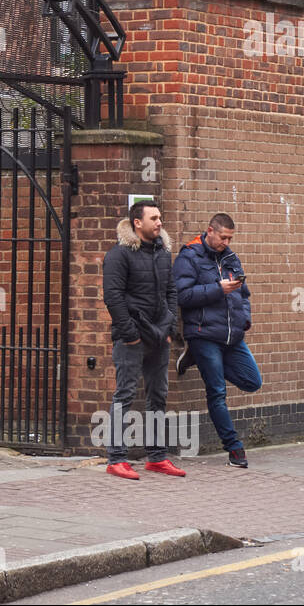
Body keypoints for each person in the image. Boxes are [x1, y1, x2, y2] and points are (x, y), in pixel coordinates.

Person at [101, 200, 184, 479]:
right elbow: (113, 298)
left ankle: (157, 457)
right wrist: (131, 335)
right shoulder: (119, 255)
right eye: (154, 218)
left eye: (160, 217)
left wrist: (170, 326)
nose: (160, 223)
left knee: (158, 396)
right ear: (138, 223)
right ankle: (116, 458)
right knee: (124, 396)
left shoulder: (162, 252)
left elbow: (171, 291)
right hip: (132, 339)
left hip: (160, 337)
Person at [173, 213, 262, 468]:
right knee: (217, 392)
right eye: (223, 237)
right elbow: (181, 295)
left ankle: (197, 358)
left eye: (230, 238)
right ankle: (235, 450)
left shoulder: (231, 257)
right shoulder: (189, 256)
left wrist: (244, 319)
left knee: (253, 381)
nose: (226, 242)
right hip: (203, 333)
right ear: (210, 231)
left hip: (232, 335)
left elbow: (244, 294)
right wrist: (217, 289)